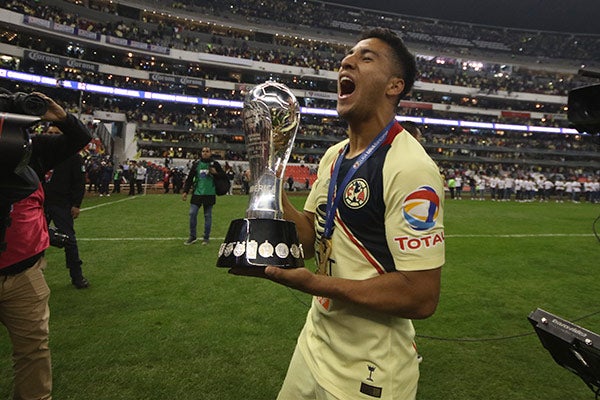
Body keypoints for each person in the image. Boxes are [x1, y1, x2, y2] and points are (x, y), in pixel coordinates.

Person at [231, 28, 445, 400]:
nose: (347, 62)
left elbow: (421, 296)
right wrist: (268, 178)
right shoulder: (334, 156)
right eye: (349, 56)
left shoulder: (410, 167)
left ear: (395, 86)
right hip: (315, 341)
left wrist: (313, 284)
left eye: (366, 58)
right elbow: (310, 237)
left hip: (370, 366)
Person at [0, 91, 92, 399]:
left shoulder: (32, 151)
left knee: (33, 352)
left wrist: (61, 116)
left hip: (24, 272)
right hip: (21, 267)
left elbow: (80, 137)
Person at [43, 125, 90, 289]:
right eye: (50, 133)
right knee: (32, 240)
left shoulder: (73, 156)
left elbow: (79, 182)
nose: (52, 136)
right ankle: (32, 276)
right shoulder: (38, 154)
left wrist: (76, 204)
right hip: (39, 204)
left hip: (61, 204)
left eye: (56, 133)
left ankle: (77, 276)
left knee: (69, 240)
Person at [182, 147, 224, 245]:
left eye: (207, 151)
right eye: (203, 151)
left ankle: (206, 237)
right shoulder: (196, 164)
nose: (205, 153)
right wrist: (185, 191)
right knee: (192, 213)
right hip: (197, 193)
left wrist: (216, 173)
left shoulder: (215, 164)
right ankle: (192, 236)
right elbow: (190, 178)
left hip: (210, 193)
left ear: (210, 153)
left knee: (207, 216)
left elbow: (223, 176)